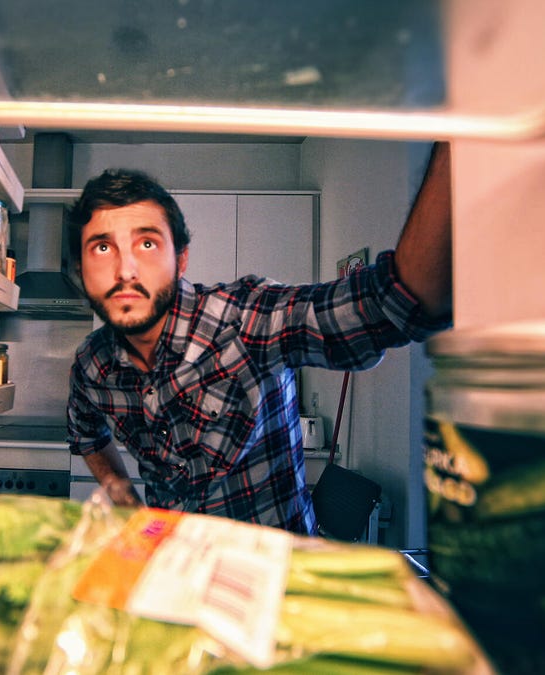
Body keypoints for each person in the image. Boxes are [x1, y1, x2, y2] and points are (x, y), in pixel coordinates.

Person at [65, 142, 452, 535]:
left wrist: (456, 142)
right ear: (81, 269)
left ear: (180, 260)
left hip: (277, 575)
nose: (125, 269)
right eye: (102, 247)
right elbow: (86, 434)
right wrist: (128, 506)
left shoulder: (247, 319)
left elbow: (396, 305)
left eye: (147, 243)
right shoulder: (92, 365)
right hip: (178, 573)